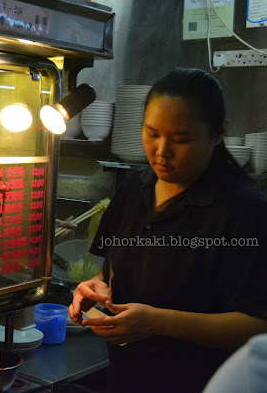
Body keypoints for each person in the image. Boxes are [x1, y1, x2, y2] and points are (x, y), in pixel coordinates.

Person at [68, 68, 267, 392]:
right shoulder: (135, 187)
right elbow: (111, 272)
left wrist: (157, 322)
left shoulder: (245, 210)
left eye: (181, 139)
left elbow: (259, 329)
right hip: (126, 378)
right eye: (151, 133)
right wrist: (94, 288)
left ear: (218, 134)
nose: (161, 152)